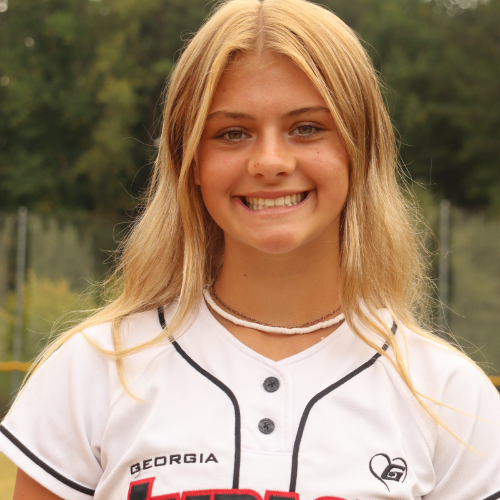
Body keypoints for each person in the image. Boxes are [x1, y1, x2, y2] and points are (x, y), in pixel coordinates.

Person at [2, 0, 500, 498]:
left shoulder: (452, 400)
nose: (270, 162)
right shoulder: (93, 370)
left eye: (307, 128)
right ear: (190, 161)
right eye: (232, 133)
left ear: (360, 148)